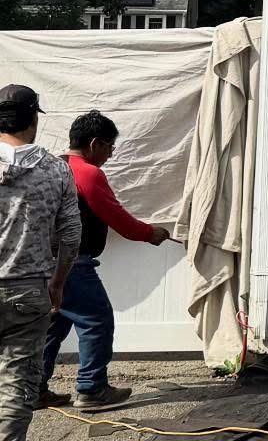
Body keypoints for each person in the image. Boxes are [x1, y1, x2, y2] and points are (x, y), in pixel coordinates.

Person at [41, 111, 173, 413]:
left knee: (53, 325)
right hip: (73, 263)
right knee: (96, 320)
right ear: (95, 143)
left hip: (45, 261)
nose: (111, 155)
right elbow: (115, 215)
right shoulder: (86, 173)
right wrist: (148, 233)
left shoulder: (52, 167)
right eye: (110, 148)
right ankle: (91, 389)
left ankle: (33, 389)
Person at [0, 83, 80, 441]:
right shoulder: (55, 169)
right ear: (34, 119)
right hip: (27, 289)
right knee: (17, 386)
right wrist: (58, 281)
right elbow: (70, 234)